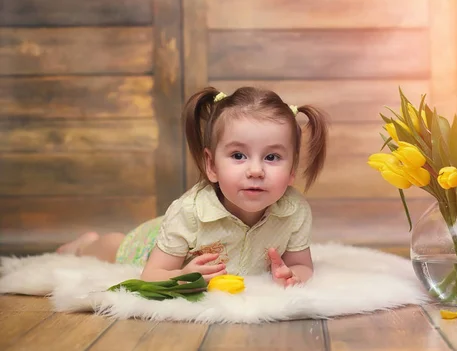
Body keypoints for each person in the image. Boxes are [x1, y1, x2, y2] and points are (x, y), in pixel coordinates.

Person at [57, 86, 328, 287]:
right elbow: (151, 275)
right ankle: (83, 245)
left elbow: (301, 264)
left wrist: (293, 276)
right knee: (114, 247)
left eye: (272, 157)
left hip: (181, 236)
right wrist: (183, 275)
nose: (255, 171)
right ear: (211, 165)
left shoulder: (294, 211)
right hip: (156, 242)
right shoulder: (189, 212)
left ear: (292, 170)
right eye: (238, 156)